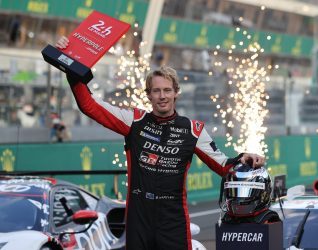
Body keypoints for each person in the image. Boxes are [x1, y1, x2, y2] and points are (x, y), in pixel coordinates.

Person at [56, 36, 265, 250]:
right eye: (156, 91)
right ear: (148, 95)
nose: (162, 96)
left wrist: (244, 159)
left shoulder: (193, 130)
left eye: (167, 90)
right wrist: (69, 62)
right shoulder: (133, 121)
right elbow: (89, 105)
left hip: (172, 221)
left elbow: (223, 166)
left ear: (176, 93)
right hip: (139, 219)